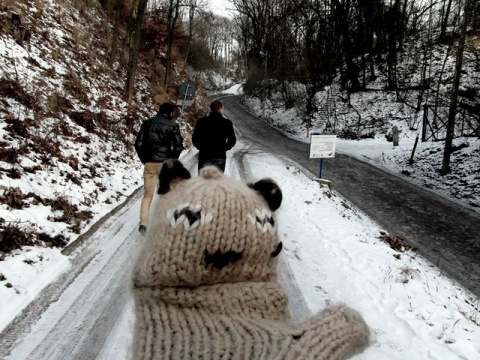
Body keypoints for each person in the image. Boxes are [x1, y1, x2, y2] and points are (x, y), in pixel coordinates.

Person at [134, 101, 184, 235]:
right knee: (167, 194)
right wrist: (171, 159)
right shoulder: (173, 125)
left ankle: (143, 224)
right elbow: (178, 146)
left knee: (148, 195)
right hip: (165, 164)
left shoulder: (147, 123)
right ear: (170, 112)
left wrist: (145, 158)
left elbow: (138, 143)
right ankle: (163, 224)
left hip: (150, 162)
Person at [192, 100, 236, 173]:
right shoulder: (227, 123)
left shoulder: (201, 121)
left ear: (211, 109)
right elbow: (232, 140)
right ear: (220, 108)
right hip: (220, 156)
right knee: (217, 181)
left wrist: (201, 147)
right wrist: (224, 148)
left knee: (202, 181)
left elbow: (195, 138)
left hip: (204, 155)